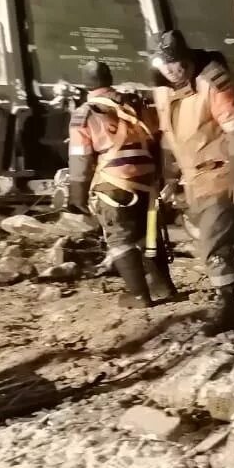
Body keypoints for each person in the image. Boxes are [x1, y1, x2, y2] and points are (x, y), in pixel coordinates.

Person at [150, 29, 234, 335]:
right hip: (194, 177)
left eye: (177, 62)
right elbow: (169, 136)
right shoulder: (163, 91)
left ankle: (227, 306)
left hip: (220, 173)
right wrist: (169, 177)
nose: (172, 70)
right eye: (165, 65)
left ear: (188, 58)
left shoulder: (213, 83)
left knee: (211, 243)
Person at [66, 60, 176, 308]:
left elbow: (80, 159)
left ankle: (139, 296)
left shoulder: (85, 113)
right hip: (147, 180)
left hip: (115, 185)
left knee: (120, 239)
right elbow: (158, 138)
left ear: (86, 84)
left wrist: (77, 198)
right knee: (149, 235)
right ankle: (163, 287)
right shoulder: (135, 103)